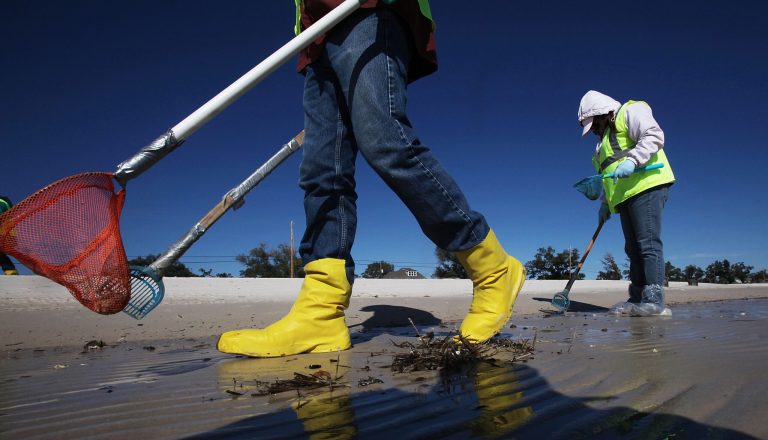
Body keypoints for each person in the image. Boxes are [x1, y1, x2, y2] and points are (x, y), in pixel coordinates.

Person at [217, 0, 526, 357]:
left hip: (365, 11)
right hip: (315, 38)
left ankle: (492, 269)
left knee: (385, 141)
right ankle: (320, 313)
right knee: (321, 172)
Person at [577, 90, 675, 316]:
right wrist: (605, 203)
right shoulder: (600, 147)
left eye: (594, 124)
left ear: (604, 114)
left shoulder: (630, 111)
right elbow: (608, 176)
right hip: (623, 198)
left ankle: (654, 300)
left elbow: (653, 135)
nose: (593, 130)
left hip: (647, 186)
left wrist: (632, 160)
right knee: (632, 249)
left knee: (647, 244)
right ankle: (637, 298)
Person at [0, 196, 19, 275]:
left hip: (4, 233)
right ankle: (10, 271)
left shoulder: (2, 203)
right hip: (8, 233)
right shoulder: (4, 202)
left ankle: (10, 270)